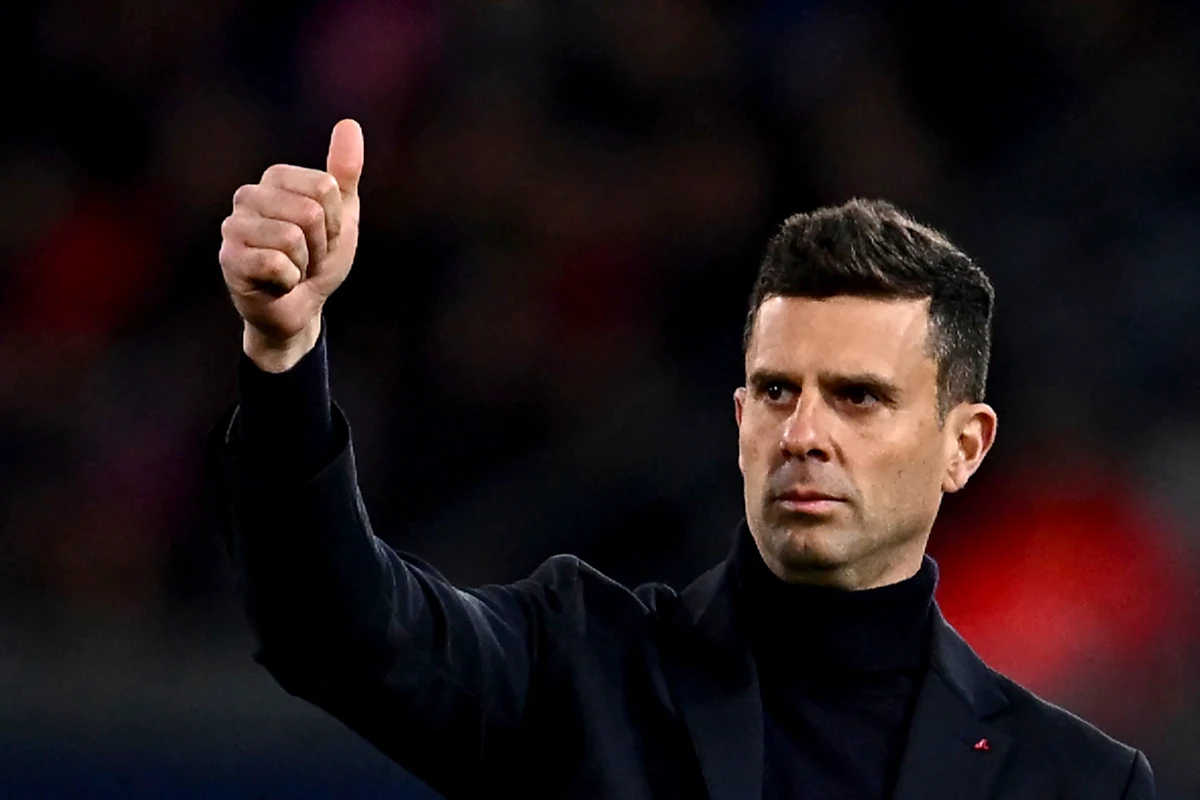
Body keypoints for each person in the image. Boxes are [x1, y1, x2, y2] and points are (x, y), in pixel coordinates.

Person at [208, 119, 1156, 799]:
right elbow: (331, 631)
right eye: (779, 392)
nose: (804, 433)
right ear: (740, 415)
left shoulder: (1074, 781)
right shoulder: (581, 671)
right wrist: (284, 356)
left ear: (964, 445)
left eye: (859, 396)